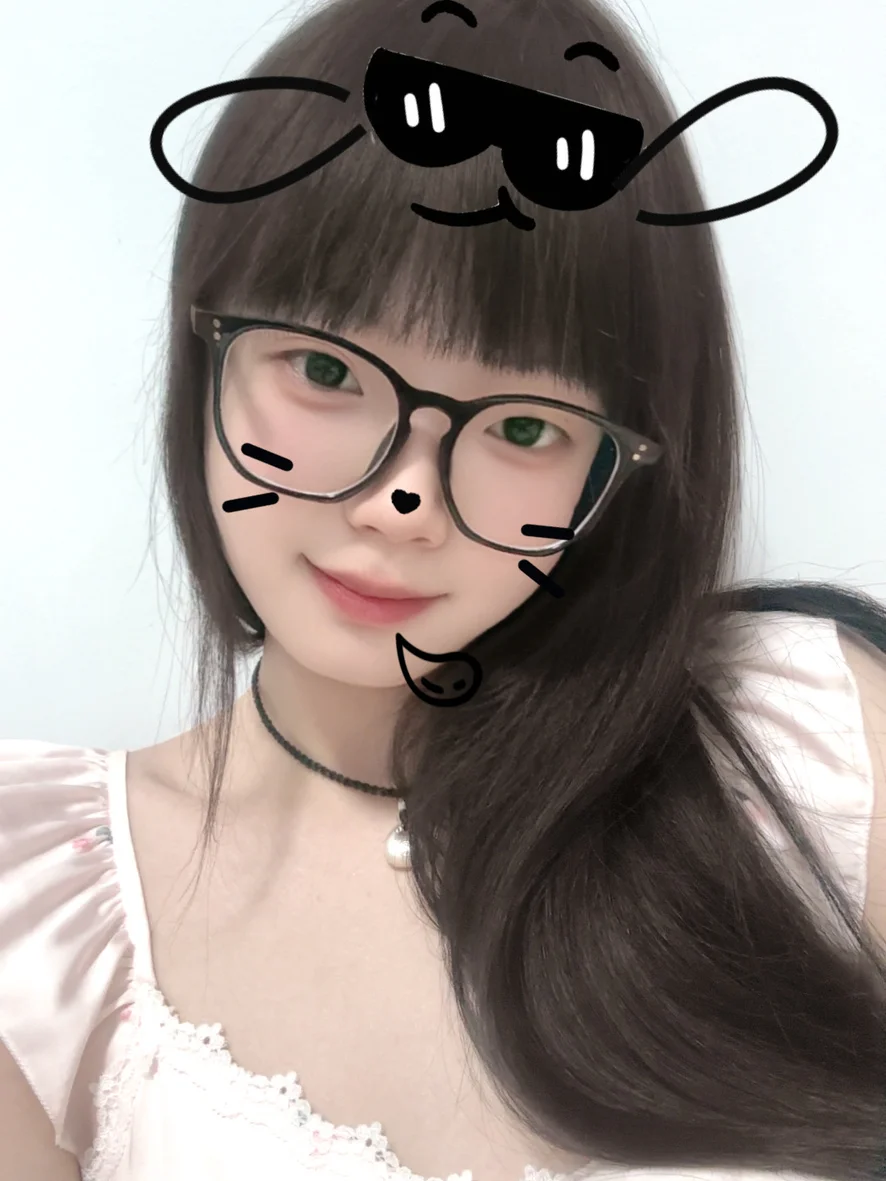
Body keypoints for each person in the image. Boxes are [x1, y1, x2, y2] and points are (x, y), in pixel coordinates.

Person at [1, 0, 885, 1179]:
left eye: (521, 426)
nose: (400, 501)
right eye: (325, 369)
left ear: (616, 472)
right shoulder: (45, 908)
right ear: (204, 349)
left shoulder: (807, 745)